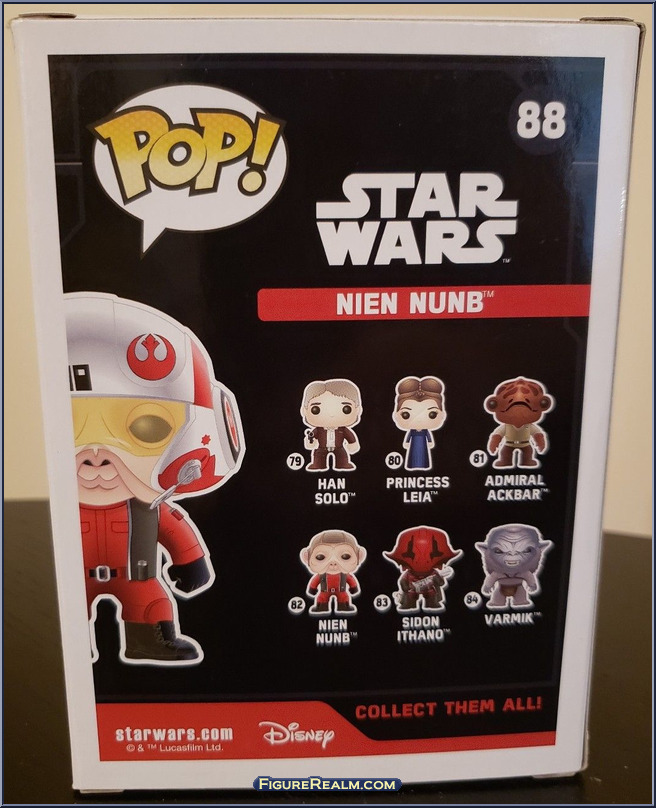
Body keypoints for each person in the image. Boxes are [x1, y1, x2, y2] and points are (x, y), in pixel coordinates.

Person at [392, 376, 446, 471]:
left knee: (423, 455)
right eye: (406, 414)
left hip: (423, 444)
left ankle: (423, 465)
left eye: (432, 414)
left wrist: (430, 442)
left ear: (442, 415)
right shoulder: (412, 432)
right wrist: (407, 442)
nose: (419, 420)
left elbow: (428, 437)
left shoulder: (425, 432)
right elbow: (409, 437)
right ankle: (413, 465)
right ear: (396, 415)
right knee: (413, 455)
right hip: (414, 444)